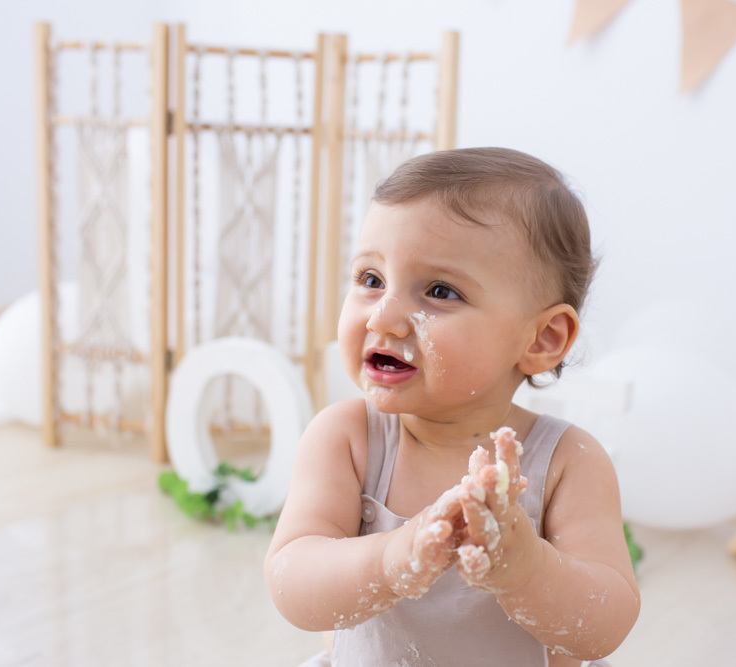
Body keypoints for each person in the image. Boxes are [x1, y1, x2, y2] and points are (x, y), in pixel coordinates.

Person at [265, 147, 640, 666]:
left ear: (542, 339)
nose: (386, 317)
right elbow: (291, 583)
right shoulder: (347, 438)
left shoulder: (568, 463)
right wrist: (390, 561)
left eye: (440, 291)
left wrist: (526, 569)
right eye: (371, 280)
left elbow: (603, 627)